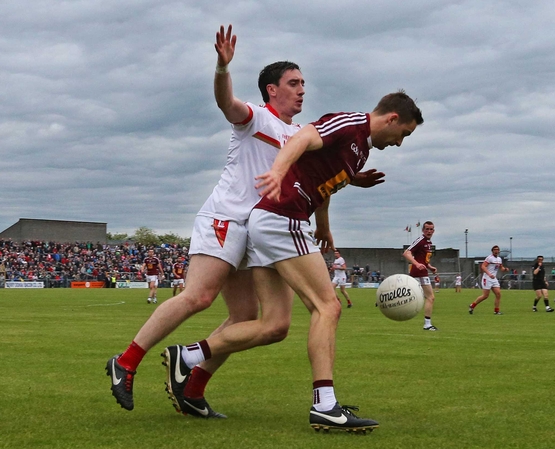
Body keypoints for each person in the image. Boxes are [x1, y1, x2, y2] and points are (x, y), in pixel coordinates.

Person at [106, 25, 384, 419]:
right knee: (199, 297)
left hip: (261, 229)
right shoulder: (257, 118)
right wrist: (222, 67)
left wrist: (346, 185)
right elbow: (227, 104)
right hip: (227, 217)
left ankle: (193, 388)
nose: (302, 88)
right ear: (272, 89)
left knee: (250, 321)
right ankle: (127, 361)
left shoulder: (299, 133)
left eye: (304, 82)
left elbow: (313, 178)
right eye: (293, 82)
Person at [165, 91, 423, 432]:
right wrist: (277, 172)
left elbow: (323, 184)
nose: (400, 143)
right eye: (404, 134)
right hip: (281, 217)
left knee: (274, 326)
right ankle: (325, 406)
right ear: (392, 118)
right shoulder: (350, 125)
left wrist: (325, 226)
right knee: (328, 307)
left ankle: (188, 356)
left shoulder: (359, 152)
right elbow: (302, 138)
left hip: (271, 221)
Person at [403, 222, 439, 330]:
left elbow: (423, 260)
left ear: (434, 231)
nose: (429, 231)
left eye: (431, 229)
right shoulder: (420, 240)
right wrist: (417, 264)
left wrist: (429, 266)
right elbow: (406, 253)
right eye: (427, 229)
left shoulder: (428, 242)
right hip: (419, 273)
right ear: (423, 230)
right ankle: (427, 324)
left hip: (422, 272)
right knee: (430, 297)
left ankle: (385, 299)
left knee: (412, 296)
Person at [469, 246, 510, 315]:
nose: (496, 251)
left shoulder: (499, 259)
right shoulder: (489, 258)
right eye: (495, 250)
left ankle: (496, 311)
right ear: (492, 251)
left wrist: (505, 269)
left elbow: (501, 268)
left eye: (497, 250)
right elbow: (483, 266)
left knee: (498, 294)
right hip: (487, 278)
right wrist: (489, 274)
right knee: (485, 296)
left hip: (494, 279)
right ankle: (472, 305)